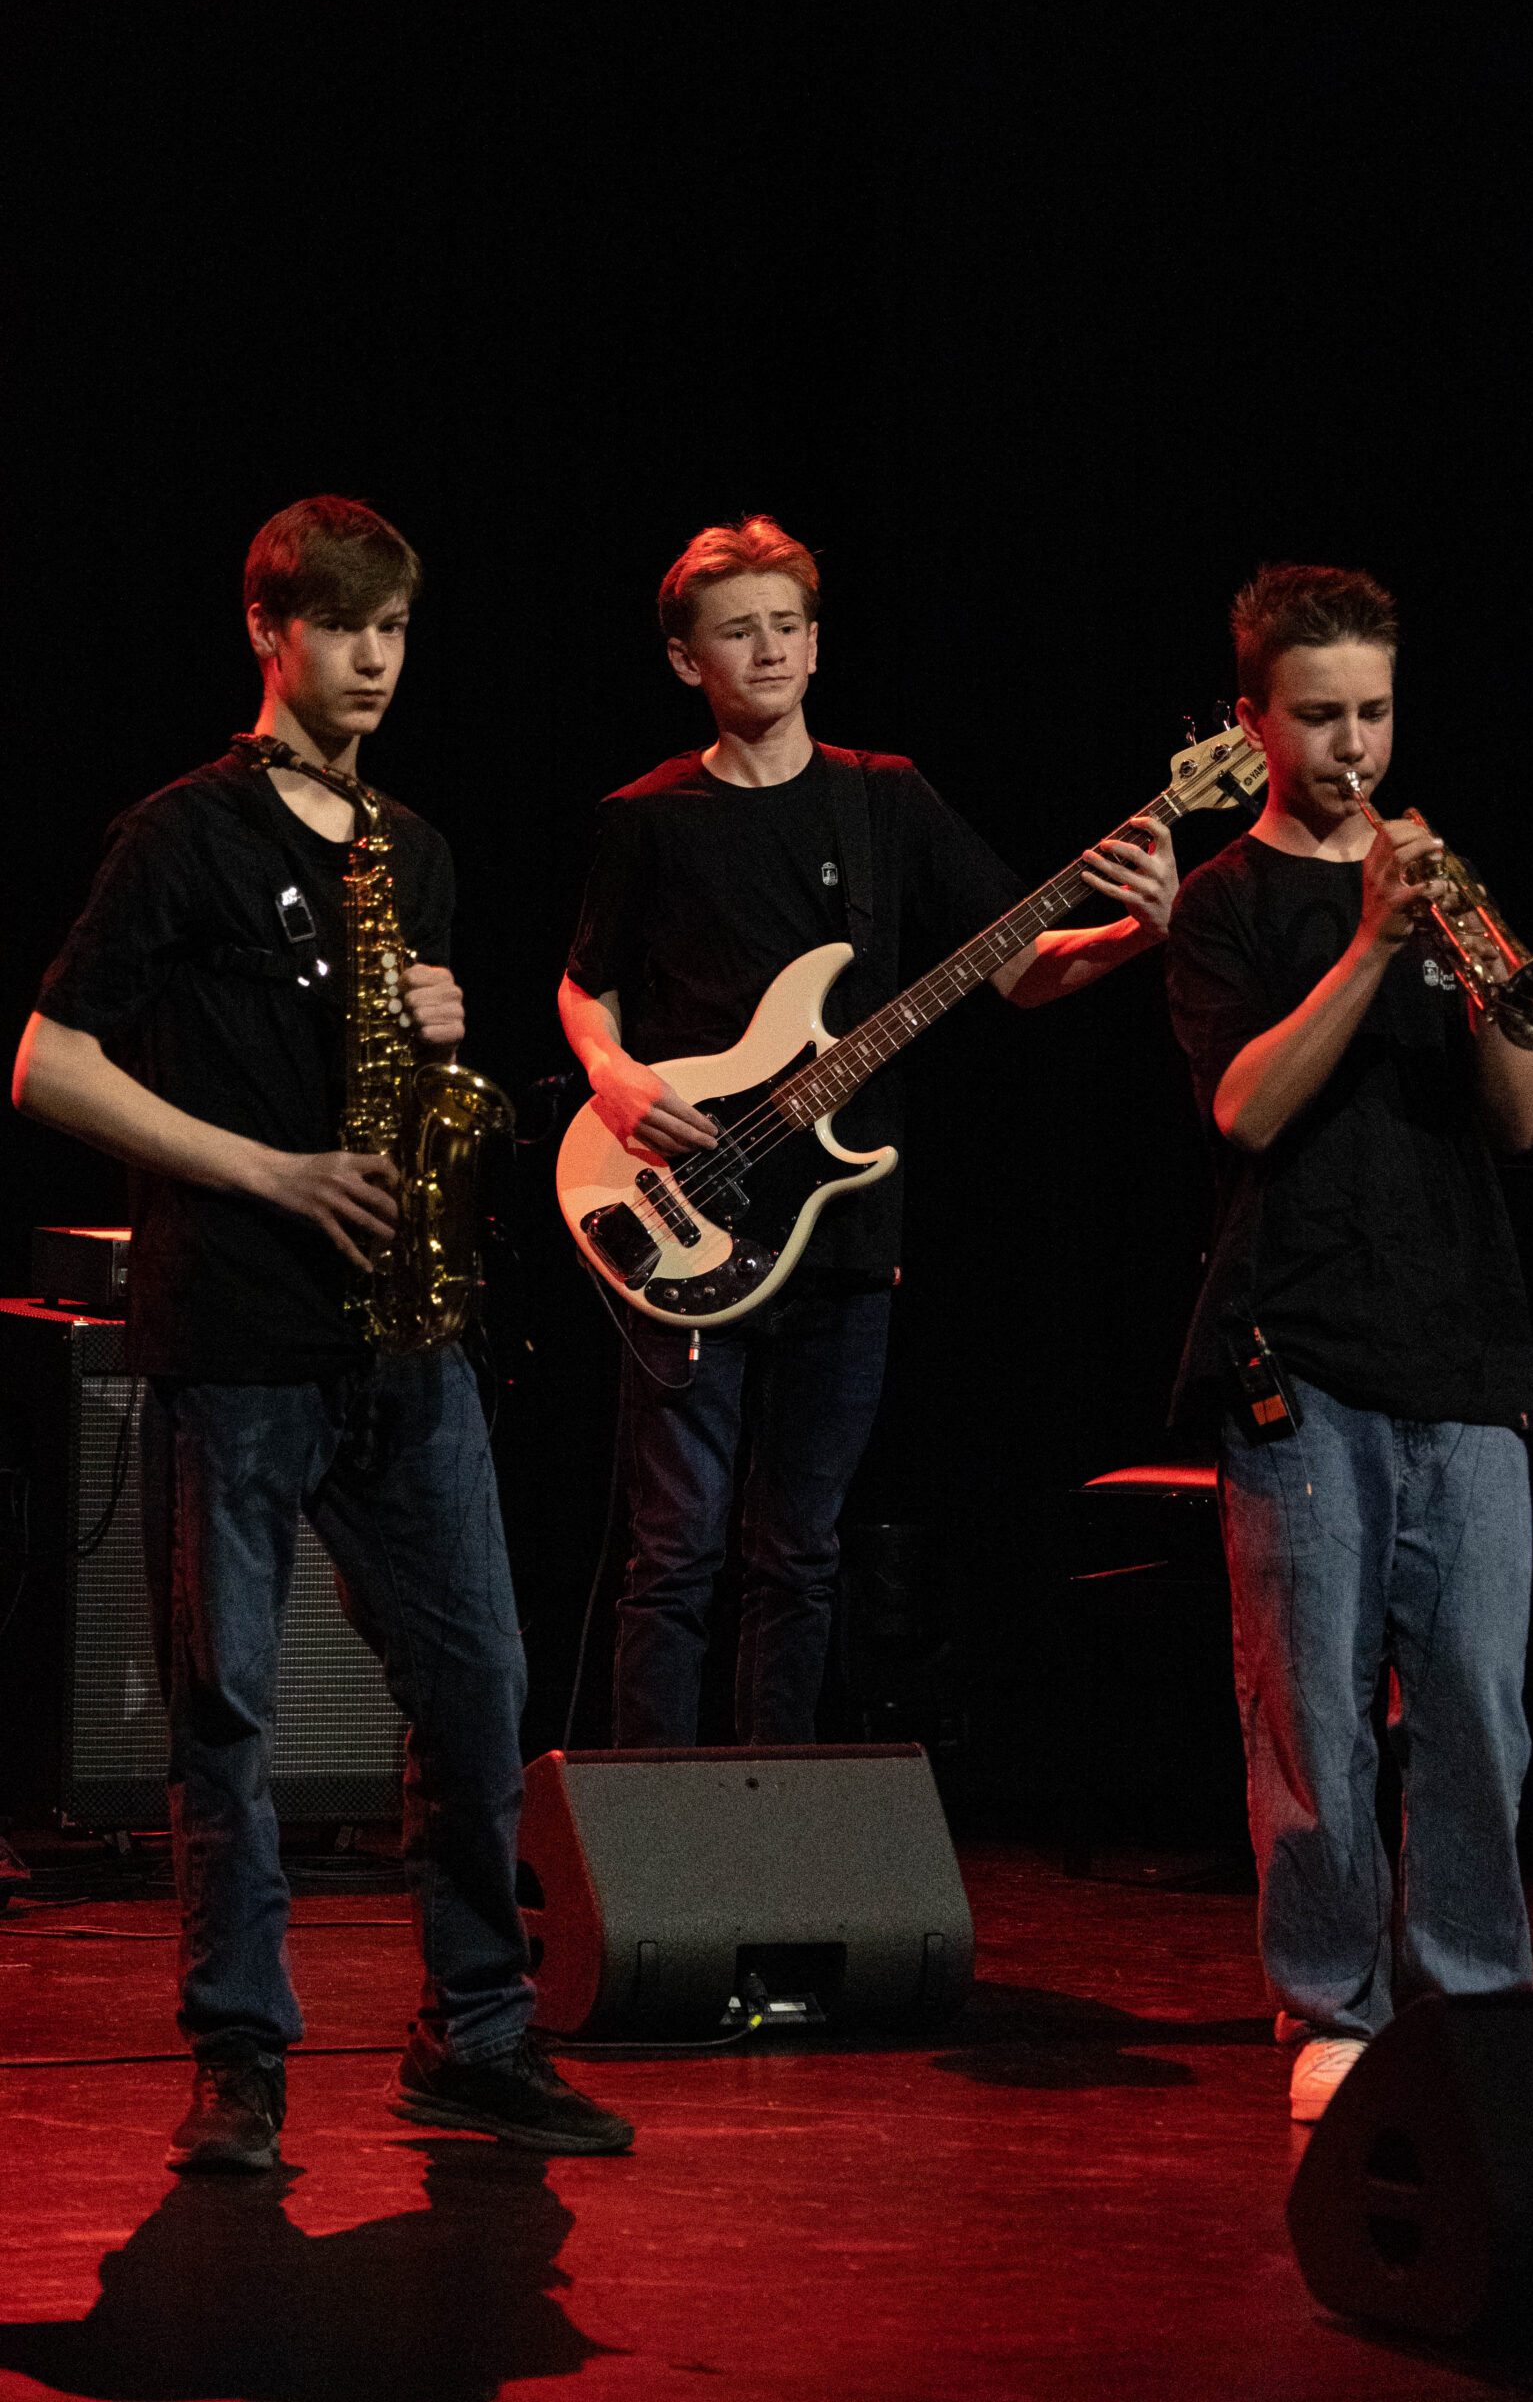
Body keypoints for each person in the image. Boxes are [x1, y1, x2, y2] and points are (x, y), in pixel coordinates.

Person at [13, 496, 632, 2169]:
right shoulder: (179, 836)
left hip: (401, 1337)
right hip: (236, 1332)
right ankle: (240, 2055)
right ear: (268, 633)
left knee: (480, 1684)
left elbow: (412, 1093)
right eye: (344, 627)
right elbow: (47, 1063)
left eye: (395, 630)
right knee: (228, 1708)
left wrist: (443, 1034)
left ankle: (475, 2037)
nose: (374, 659)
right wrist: (268, 1172)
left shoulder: (410, 849)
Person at [558, 514, 1178, 1748]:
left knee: (800, 1552)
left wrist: (1133, 934)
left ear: (816, 640)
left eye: (788, 625)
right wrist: (614, 1079)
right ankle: (644, 1831)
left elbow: (1017, 968)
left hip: (841, 1236)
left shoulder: (882, 797)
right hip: (680, 1207)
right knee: (674, 1551)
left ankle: (777, 1818)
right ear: (687, 660)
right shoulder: (647, 817)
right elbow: (586, 986)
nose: (770, 649)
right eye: (740, 631)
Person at [1164, 562, 1533, 2124]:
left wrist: (1476, 970)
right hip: (1295, 1348)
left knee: (1474, 1706)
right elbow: (1245, 1109)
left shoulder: (1444, 882)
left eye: (1373, 714)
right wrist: (1373, 946)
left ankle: (1473, 2004)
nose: (1352, 749)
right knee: (1311, 1712)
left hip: (1461, 1344)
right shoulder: (1222, 904)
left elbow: (1522, 1120)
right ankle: (1328, 1999)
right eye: (1318, 717)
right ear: (1253, 721)